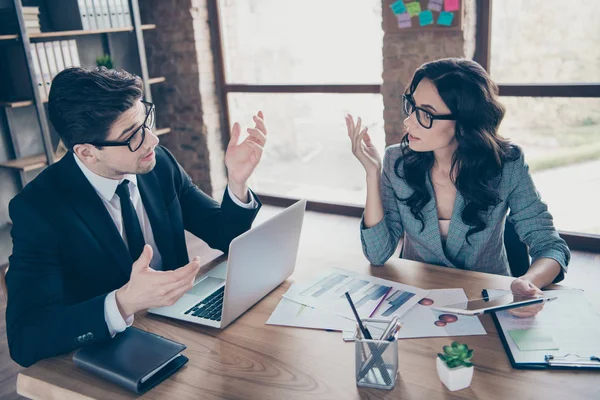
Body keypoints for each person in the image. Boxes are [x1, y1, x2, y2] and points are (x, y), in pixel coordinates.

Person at [6, 67, 267, 367]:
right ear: (87, 152)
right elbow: (25, 339)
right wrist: (122, 302)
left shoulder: (158, 165)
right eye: (132, 136)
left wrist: (237, 181)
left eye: (146, 120)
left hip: (182, 336)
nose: (152, 140)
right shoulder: (39, 209)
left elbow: (224, 235)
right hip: (107, 359)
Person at [346, 58, 569, 317]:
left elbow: (550, 244)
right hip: (419, 302)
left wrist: (528, 283)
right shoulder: (398, 162)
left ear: (463, 122)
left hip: (489, 302)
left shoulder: (507, 164)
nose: (409, 123)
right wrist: (372, 173)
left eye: (426, 114)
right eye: (412, 106)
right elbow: (377, 253)